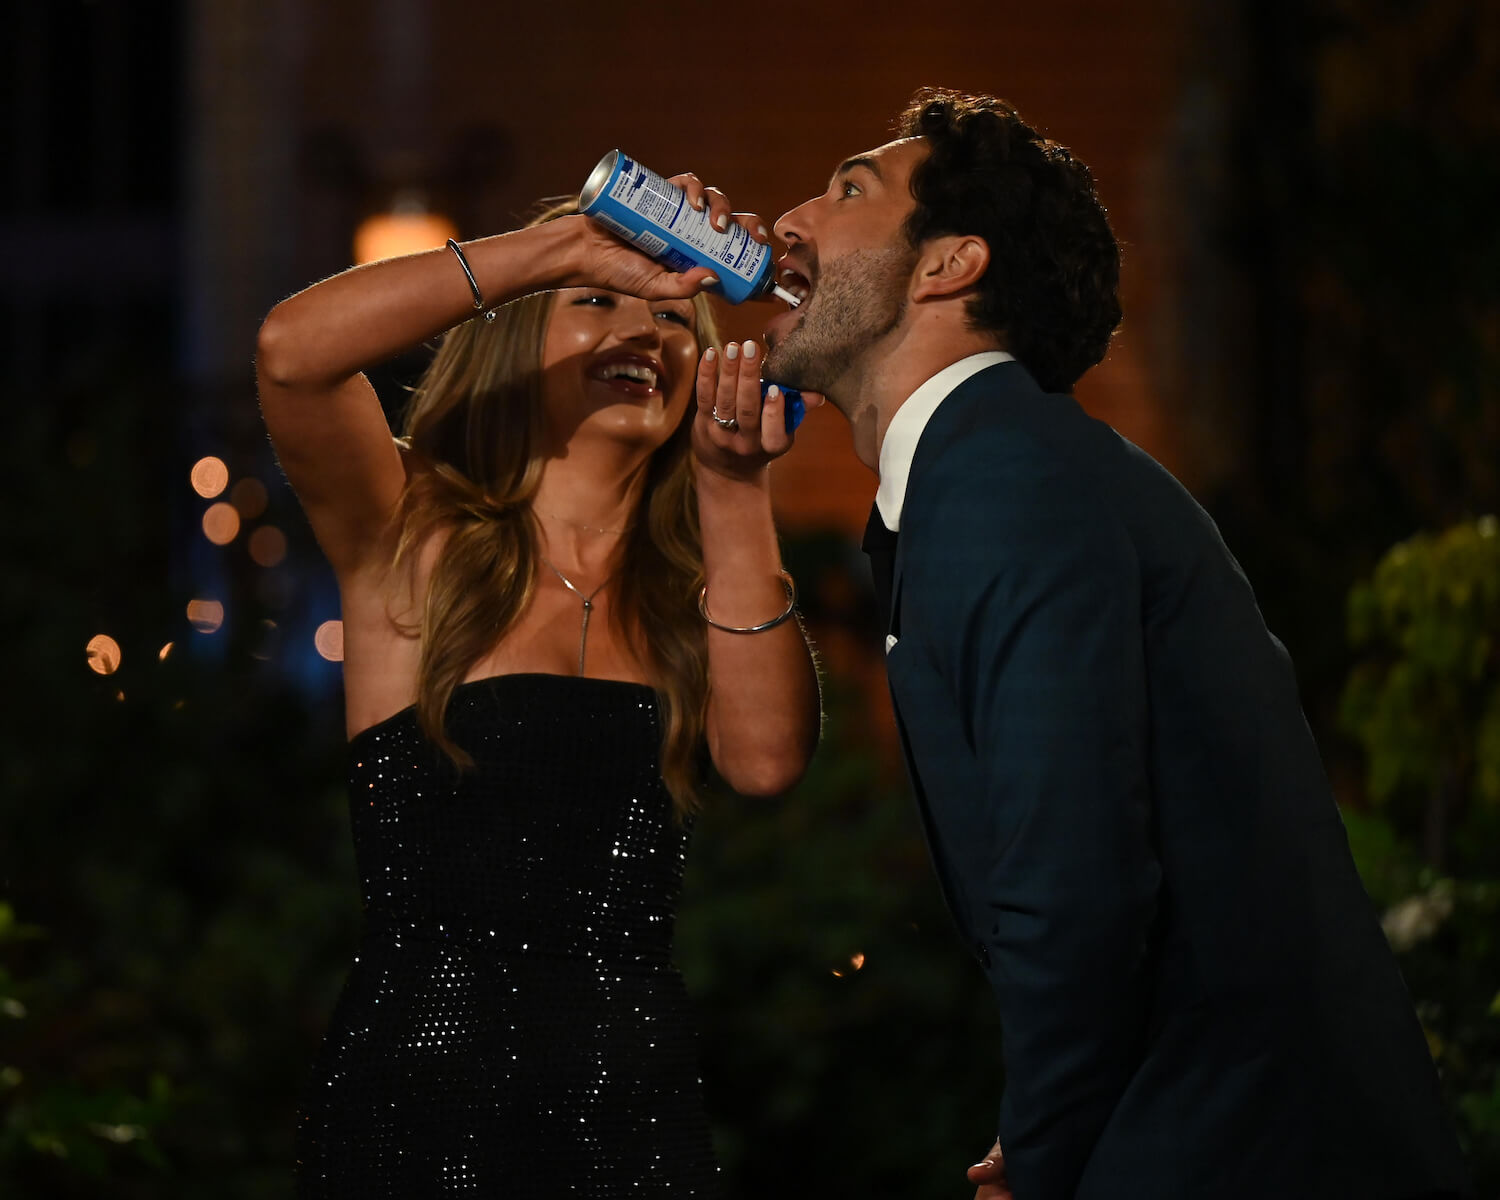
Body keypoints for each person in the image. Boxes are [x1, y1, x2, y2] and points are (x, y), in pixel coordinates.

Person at [757, 87, 1471, 1199]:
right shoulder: (988, 478)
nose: (786, 221)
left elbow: (1074, 890)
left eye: (849, 187)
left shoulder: (1010, 485)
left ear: (949, 265)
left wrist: (1046, 1159)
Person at [254, 186, 820, 1197]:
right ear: (516, 340)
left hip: (632, 1120)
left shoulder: (695, 592)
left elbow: (768, 759)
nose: (644, 328)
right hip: (416, 1117)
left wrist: (735, 488)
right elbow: (293, 353)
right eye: (598, 300)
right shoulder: (413, 537)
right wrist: (564, 245)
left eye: (669, 316)